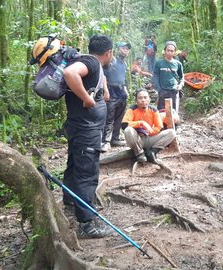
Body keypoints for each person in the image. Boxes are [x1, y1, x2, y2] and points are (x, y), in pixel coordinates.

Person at [62, 35, 114, 239]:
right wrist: (87, 100)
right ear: (108, 52)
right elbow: (69, 73)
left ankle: (70, 201)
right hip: (86, 130)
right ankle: (87, 224)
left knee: (75, 165)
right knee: (87, 172)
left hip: (80, 127)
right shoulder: (90, 62)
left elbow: (93, 76)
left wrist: (104, 90)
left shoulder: (90, 63)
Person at [122, 90, 177, 163]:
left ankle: (152, 152)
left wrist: (150, 132)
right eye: (140, 98)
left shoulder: (153, 110)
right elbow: (124, 124)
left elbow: (159, 127)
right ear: (136, 101)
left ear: (149, 99)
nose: (143, 100)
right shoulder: (132, 109)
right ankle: (139, 154)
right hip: (137, 139)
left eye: (145, 97)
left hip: (150, 138)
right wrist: (141, 123)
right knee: (128, 130)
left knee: (172, 133)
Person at [101, 41, 131, 152]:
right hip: (111, 91)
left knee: (119, 118)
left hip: (121, 93)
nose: (125, 51)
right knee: (109, 118)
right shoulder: (111, 60)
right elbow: (103, 75)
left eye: (127, 49)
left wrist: (126, 90)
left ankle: (115, 138)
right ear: (118, 49)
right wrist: (105, 90)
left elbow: (123, 79)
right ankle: (105, 141)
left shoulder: (124, 63)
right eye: (123, 48)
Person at [153, 41, 184, 112]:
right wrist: (159, 88)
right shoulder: (159, 63)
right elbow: (155, 76)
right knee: (161, 113)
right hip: (162, 91)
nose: (170, 52)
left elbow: (182, 78)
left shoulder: (178, 64)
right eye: (168, 50)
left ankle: (174, 123)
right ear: (164, 51)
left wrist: (180, 86)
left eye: (172, 51)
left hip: (174, 91)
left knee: (173, 113)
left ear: (174, 52)